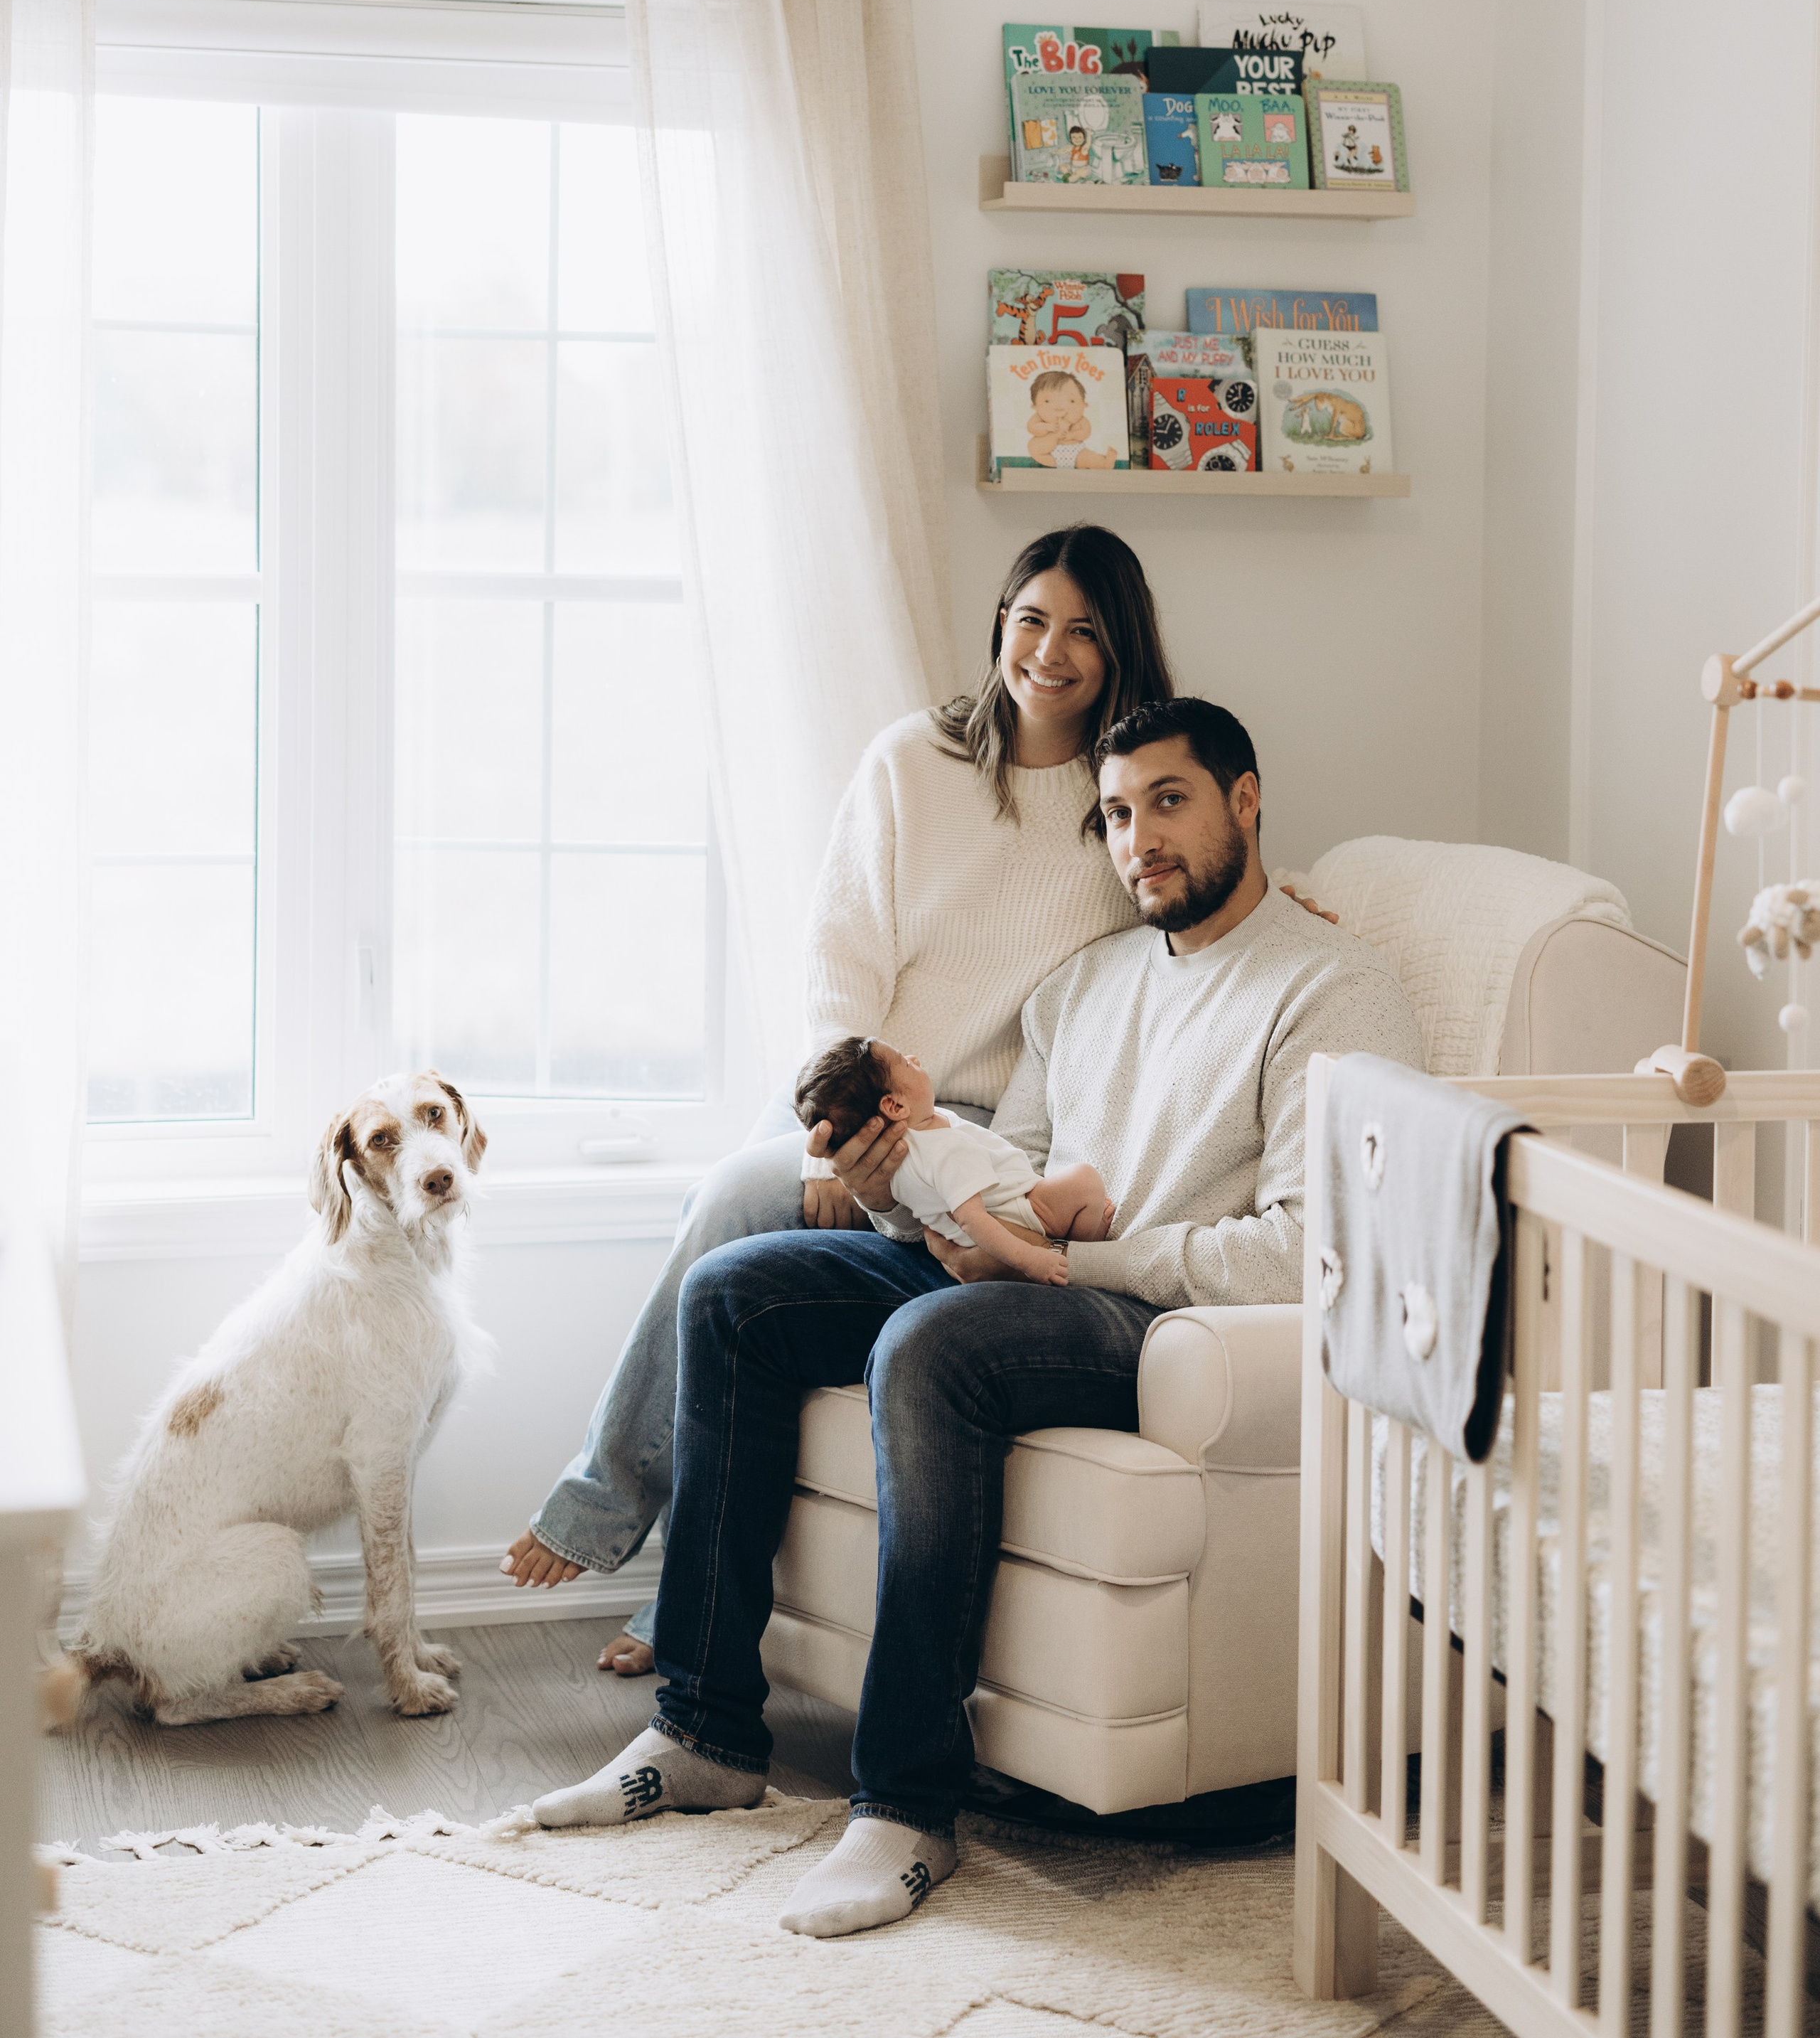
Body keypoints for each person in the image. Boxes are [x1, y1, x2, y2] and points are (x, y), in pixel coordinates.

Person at [528, 697, 1424, 1941]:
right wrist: (926, 1205)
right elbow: (1023, 1163)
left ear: (1247, 799)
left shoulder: (1332, 989)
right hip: (1030, 1270)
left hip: (1152, 1324)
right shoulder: (1085, 988)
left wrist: (1084, 1261)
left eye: (1169, 801)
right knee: (737, 1293)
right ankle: (705, 1728)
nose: (1139, 839)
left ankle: (904, 1805)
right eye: (1116, 813)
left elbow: (1306, 1251)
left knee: (930, 1344)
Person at [498, 525, 1174, 1668]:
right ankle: (627, 1533)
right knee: (728, 1203)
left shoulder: (1118, 805)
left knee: (724, 1221)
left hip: (977, 1135)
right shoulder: (915, 760)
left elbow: (1187, 884)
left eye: (1084, 631)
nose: (1048, 653)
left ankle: (637, 1553)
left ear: (1121, 651)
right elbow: (840, 956)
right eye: (1030, 620)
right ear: (1000, 621)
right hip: (857, 1084)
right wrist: (824, 1143)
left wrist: (1289, 900)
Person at [795, 1034, 1113, 1284]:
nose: (914, 1059)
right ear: (894, 1107)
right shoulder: (943, 1149)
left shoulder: (906, 1147)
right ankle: (1088, 1245)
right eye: (905, 1065)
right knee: (1084, 1181)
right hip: (1021, 1213)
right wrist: (1033, 1259)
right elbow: (972, 1220)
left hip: (979, 1234)